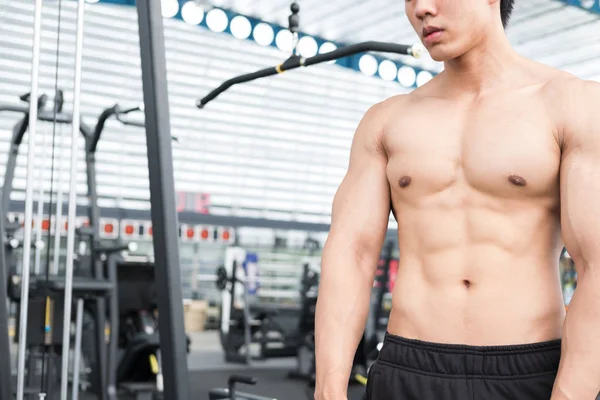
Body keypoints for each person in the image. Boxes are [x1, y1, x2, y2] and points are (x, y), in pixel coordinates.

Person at [314, 0, 600, 399]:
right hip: (407, 370)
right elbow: (351, 254)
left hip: (527, 373)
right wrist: (328, 390)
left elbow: (595, 266)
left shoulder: (572, 105)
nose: (421, 10)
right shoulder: (386, 121)